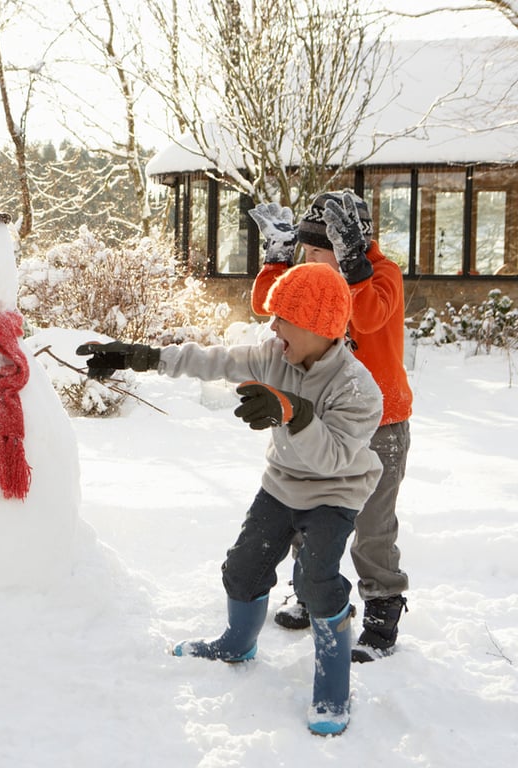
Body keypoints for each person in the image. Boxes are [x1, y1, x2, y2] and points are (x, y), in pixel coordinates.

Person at [78, 262, 383, 736]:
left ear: (319, 327)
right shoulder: (273, 356)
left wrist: (292, 410)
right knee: (243, 567)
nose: (273, 326)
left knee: (318, 580)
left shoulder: (358, 388)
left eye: (283, 317)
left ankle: (333, 687)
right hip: (281, 485)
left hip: (335, 493)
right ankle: (237, 643)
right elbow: (213, 359)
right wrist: (142, 356)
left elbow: (335, 458)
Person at [249, 191, 413, 663]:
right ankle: (308, 590)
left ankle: (383, 608)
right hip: (319, 420)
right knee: (308, 508)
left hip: (382, 424)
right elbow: (269, 306)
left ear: (351, 244)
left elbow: (368, 314)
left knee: (373, 524)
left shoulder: (381, 275)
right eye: (306, 252)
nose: (313, 263)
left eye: (321, 252)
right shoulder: (315, 279)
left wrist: (355, 266)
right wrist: (277, 261)